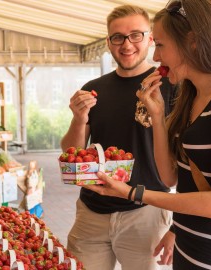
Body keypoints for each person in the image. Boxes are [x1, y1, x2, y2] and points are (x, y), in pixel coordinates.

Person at [85, 0, 211, 269]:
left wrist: (132, 193)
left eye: (159, 45)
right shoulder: (192, 95)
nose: (155, 57)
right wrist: (157, 116)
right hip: (189, 247)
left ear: (192, 42)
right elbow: (170, 176)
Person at [60, 4, 176, 270]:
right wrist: (79, 119)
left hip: (146, 211)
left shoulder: (168, 86)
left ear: (150, 38)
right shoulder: (94, 89)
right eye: (118, 37)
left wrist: (177, 227)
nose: (127, 45)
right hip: (92, 211)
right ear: (108, 42)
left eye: (136, 35)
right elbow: (71, 154)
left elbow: (187, 162)